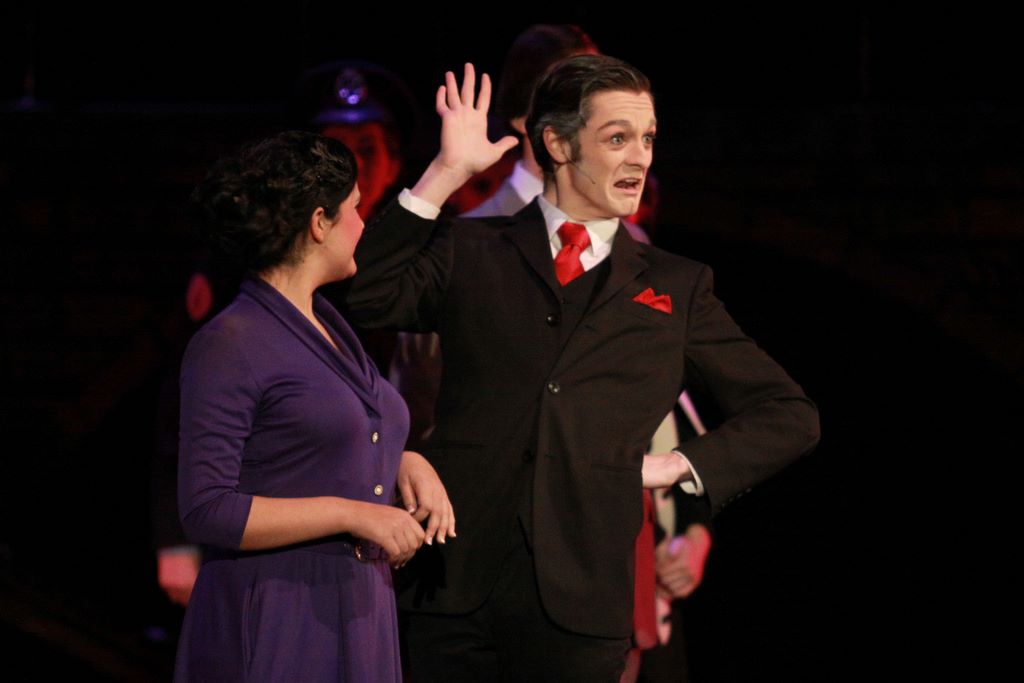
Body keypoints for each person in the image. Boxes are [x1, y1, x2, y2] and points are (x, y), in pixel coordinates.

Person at [345, 59, 820, 681]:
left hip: (581, 602)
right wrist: (446, 173)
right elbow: (364, 294)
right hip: (449, 586)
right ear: (558, 143)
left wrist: (677, 466)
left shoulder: (676, 285)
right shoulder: (472, 248)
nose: (640, 158)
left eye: (648, 139)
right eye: (617, 138)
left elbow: (789, 415)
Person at [173, 130, 455, 682]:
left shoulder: (328, 324)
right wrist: (354, 513)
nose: (362, 225)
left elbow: (330, 434)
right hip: (280, 607)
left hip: (357, 602)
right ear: (320, 222)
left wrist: (404, 460)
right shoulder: (232, 341)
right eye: (356, 209)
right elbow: (207, 507)